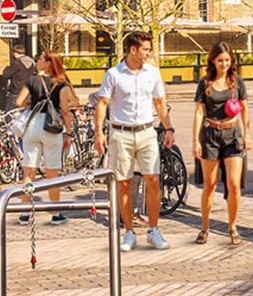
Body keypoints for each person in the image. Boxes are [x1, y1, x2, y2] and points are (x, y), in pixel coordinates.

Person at [93, 31, 172, 252]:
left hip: (146, 131)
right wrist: (99, 132)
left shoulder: (153, 73)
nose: (148, 53)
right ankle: (128, 232)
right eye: (145, 49)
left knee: (153, 180)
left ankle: (154, 230)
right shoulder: (113, 74)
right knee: (124, 183)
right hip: (121, 133)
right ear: (133, 49)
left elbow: (159, 102)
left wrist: (169, 127)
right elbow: (102, 103)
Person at [13, 50, 77, 225]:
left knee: (29, 171)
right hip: (52, 128)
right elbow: (65, 111)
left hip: (33, 125)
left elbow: (18, 102)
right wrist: (69, 134)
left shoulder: (32, 81)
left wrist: (32, 102)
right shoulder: (61, 85)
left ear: (48, 63)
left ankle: (25, 213)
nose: (38, 61)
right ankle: (56, 213)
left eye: (41, 59)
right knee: (52, 173)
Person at [193, 45, 249, 244]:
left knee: (233, 184)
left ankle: (232, 226)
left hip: (233, 134)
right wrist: (195, 140)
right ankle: (205, 227)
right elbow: (200, 111)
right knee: (210, 184)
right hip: (210, 134)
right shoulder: (205, 83)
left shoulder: (236, 82)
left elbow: (244, 108)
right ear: (213, 61)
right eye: (220, 60)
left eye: (227, 60)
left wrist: (247, 134)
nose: (224, 64)